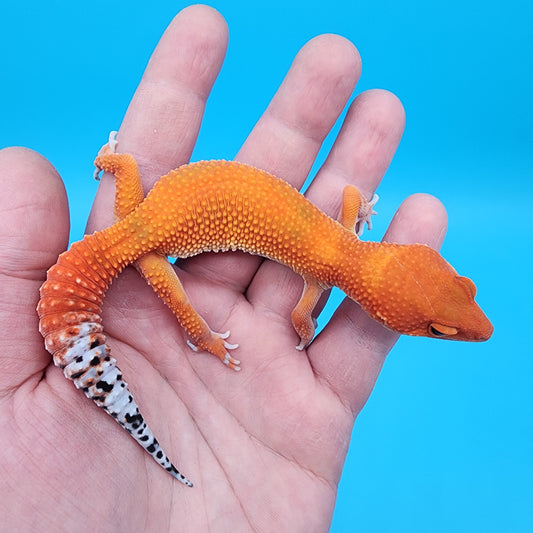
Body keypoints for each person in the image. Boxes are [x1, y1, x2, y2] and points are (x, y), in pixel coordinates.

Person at [0, 5, 447, 531]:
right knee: (191, 315)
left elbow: (352, 195)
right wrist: (244, 336)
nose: (440, 332)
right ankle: (202, 340)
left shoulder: (343, 234)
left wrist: (114, 162)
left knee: (136, 193)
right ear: (377, 303)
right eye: (433, 328)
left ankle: (114, 162)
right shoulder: (321, 277)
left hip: (142, 212)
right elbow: (302, 322)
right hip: (146, 243)